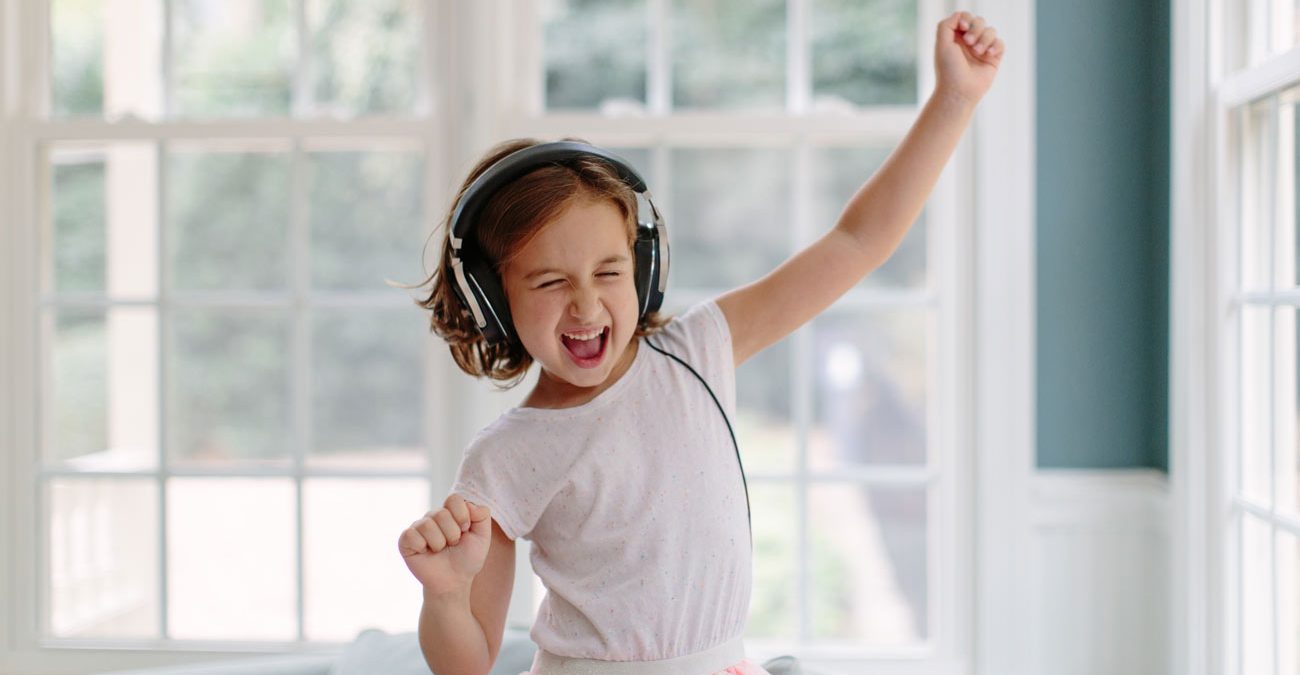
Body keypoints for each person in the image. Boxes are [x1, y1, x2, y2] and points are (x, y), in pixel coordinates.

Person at [397, 10, 1004, 675]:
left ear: (645, 270)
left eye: (609, 271)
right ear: (492, 300)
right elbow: (470, 664)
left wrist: (954, 100)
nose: (587, 303)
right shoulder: (505, 456)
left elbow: (857, 242)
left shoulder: (699, 351)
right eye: (549, 281)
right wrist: (447, 596)